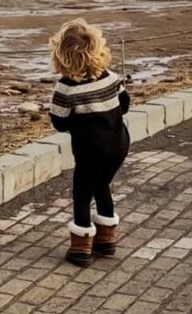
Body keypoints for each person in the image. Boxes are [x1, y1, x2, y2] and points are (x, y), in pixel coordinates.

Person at [48, 20, 130, 267]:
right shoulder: (111, 77)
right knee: (102, 185)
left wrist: (78, 119)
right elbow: (124, 105)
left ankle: (81, 247)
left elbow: (60, 122)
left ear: (62, 56)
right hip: (118, 146)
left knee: (82, 194)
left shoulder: (66, 88)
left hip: (89, 152)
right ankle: (106, 240)